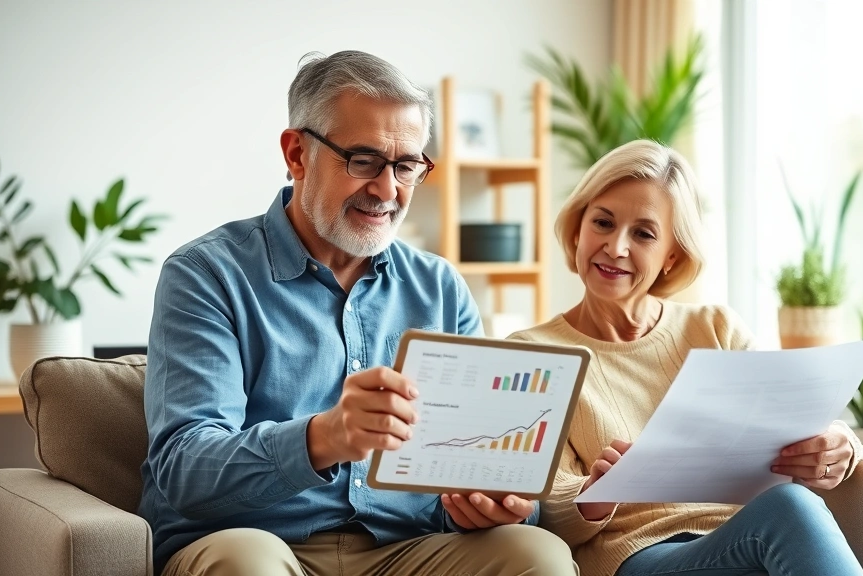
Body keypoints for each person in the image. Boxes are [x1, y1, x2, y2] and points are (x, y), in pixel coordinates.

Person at [140, 50, 578, 576]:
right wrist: (324, 437)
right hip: (257, 540)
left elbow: (471, 466)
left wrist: (497, 505)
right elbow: (184, 471)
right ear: (297, 154)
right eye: (363, 160)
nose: (387, 190)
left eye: (407, 165)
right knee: (245, 564)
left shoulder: (440, 288)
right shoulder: (206, 274)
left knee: (537, 554)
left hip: (404, 550)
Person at [508, 139, 863, 576]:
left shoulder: (715, 327)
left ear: (670, 256)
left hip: (746, 540)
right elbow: (537, 510)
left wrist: (841, 443)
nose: (616, 247)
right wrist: (591, 494)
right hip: (638, 555)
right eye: (603, 222)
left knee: (788, 509)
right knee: (790, 508)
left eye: (643, 233)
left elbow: (796, 419)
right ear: (578, 229)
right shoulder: (532, 353)